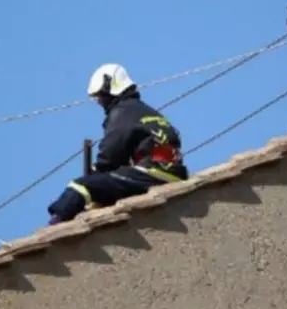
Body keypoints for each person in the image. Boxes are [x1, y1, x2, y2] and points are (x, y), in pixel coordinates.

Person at [47, 63, 188, 224]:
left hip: (152, 172)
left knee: (80, 186)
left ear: (110, 88)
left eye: (100, 96)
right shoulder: (148, 111)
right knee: (107, 183)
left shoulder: (121, 112)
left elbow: (111, 156)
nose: (100, 101)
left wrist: (95, 174)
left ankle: (54, 227)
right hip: (175, 173)